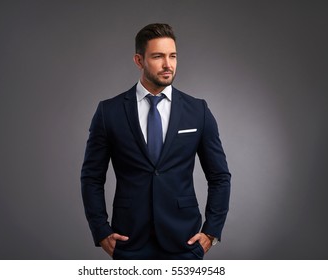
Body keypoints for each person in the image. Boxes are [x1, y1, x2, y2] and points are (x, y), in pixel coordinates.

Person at [81, 23, 231, 260]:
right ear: (139, 61)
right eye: (158, 56)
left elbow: (220, 176)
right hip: (129, 240)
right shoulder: (108, 112)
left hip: (185, 240)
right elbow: (92, 176)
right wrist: (100, 229)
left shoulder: (198, 111)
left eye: (172, 56)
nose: (167, 65)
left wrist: (212, 231)